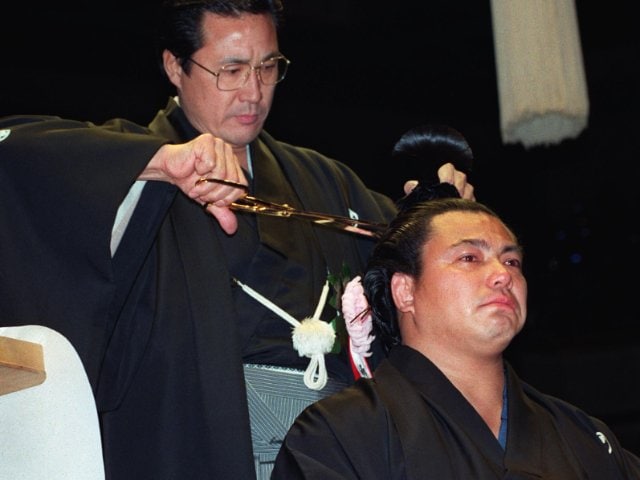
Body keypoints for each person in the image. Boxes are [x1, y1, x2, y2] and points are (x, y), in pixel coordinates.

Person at [0, 2, 474, 480]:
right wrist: (159, 162)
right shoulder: (140, 163)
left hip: (334, 448)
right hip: (193, 438)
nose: (253, 91)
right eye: (231, 70)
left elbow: (412, 257)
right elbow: (13, 153)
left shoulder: (324, 180)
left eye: (268, 67)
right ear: (175, 67)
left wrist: (446, 218)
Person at [271, 189, 640, 478]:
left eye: (512, 261)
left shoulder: (582, 436)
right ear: (405, 291)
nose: (503, 275)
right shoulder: (339, 434)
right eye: (469, 258)